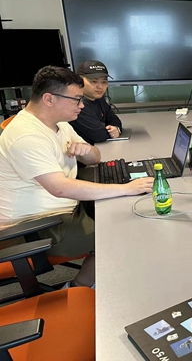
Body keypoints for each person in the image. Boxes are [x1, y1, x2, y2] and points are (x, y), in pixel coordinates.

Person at [0, 66, 153, 288]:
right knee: (120, 236)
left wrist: (86, 150)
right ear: (49, 99)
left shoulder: (58, 123)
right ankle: (77, 287)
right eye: (76, 100)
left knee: (123, 213)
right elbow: (60, 188)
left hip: (63, 207)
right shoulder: (26, 136)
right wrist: (127, 188)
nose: (82, 105)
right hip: (35, 226)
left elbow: (95, 158)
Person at [69, 60, 123, 144]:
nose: (100, 86)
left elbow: (114, 119)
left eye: (104, 82)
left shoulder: (98, 99)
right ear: (79, 81)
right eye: (94, 81)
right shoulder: (77, 104)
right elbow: (98, 135)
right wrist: (111, 131)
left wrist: (116, 128)